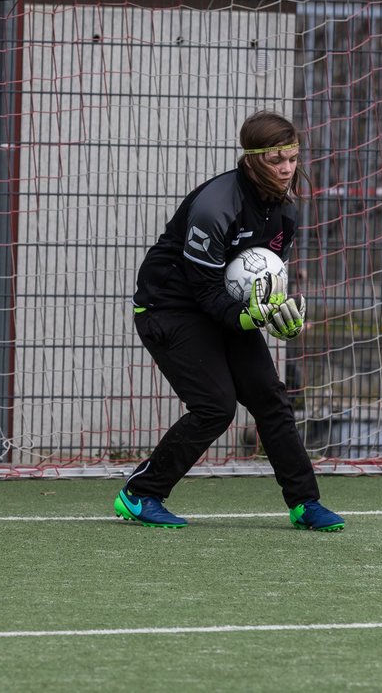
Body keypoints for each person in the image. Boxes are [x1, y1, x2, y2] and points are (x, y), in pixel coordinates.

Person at [116, 110, 344, 531]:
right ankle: (141, 493)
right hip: (169, 307)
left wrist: (277, 316)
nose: (287, 168)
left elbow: (259, 283)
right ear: (254, 159)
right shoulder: (216, 206)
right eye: (277, 160)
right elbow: (204, 291)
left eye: (292, 158)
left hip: (219, 309)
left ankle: (305, 504)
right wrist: (247, 316)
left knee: (270, 397)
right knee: (215, 406)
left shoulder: (284, 214)